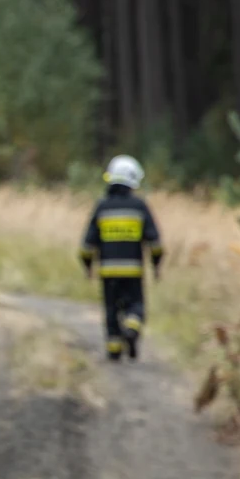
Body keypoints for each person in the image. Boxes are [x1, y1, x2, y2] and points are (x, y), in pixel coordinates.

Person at [79, 154, 163, 361]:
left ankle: (114, 350)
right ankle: (132, 328)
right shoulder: (139, 207)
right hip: (133, 270)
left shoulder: (102, 206)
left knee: (111, 309)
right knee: (136, 305)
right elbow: (154, 242)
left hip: (108, 271)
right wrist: (156, 264)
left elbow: (88, 244)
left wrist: (87, 266)